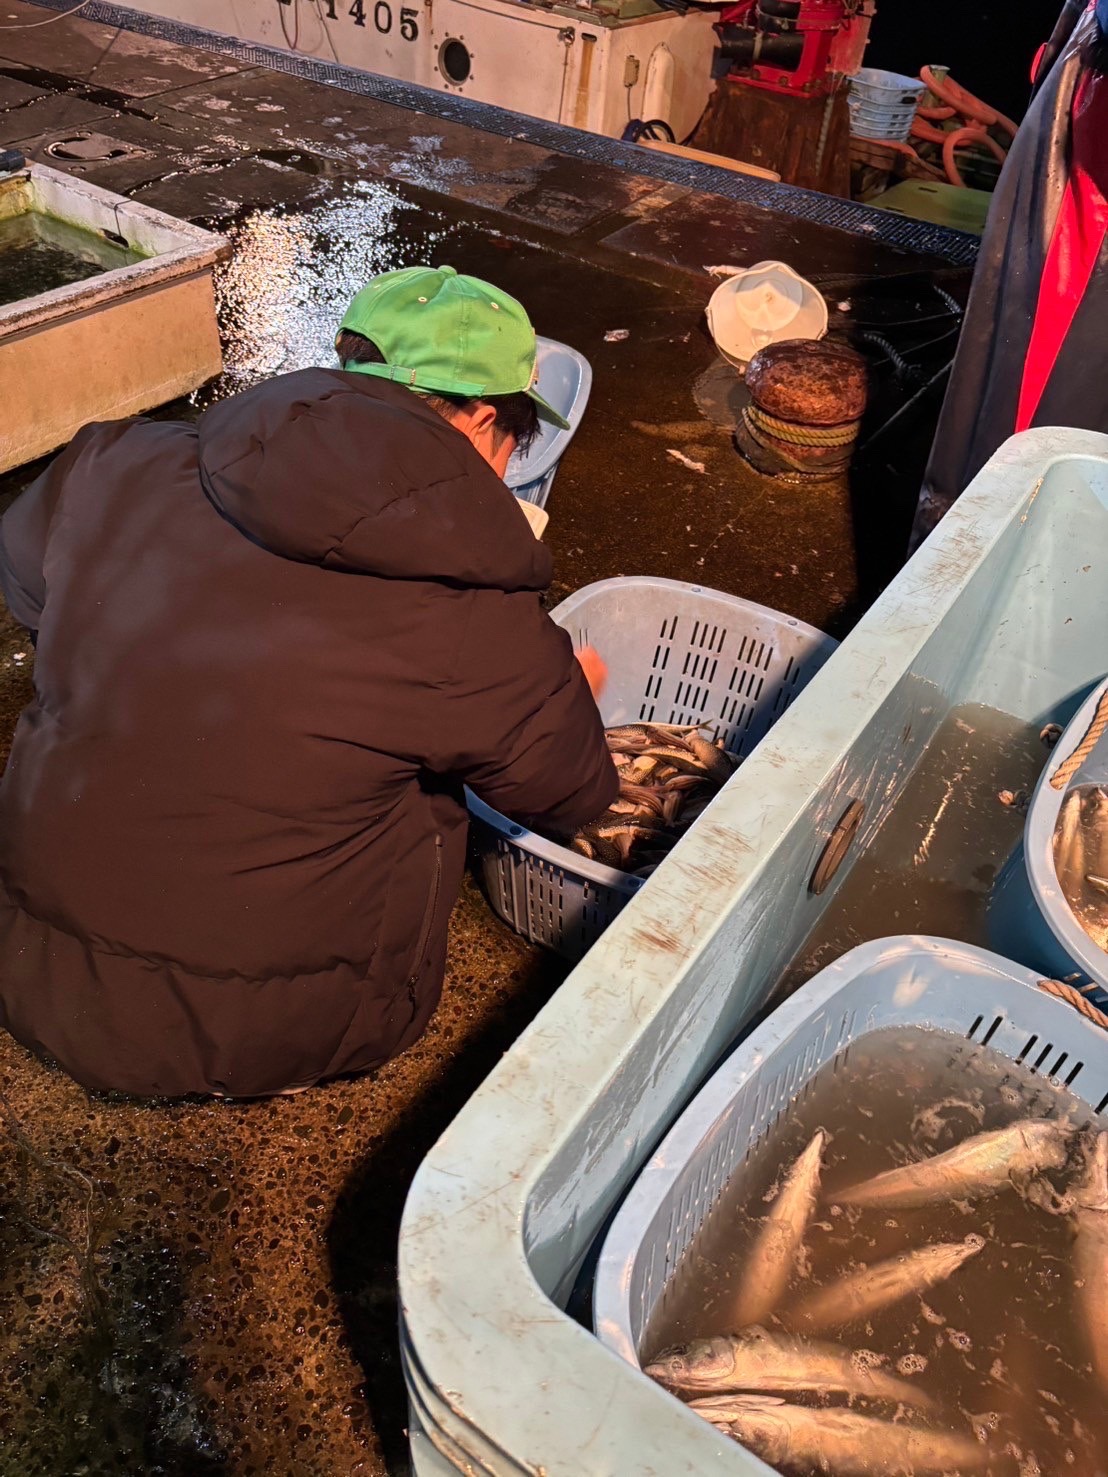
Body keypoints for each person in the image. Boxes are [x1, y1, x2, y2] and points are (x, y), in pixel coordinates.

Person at [0, 264, 618, 1098]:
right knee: (427, 789)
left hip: (30, 965)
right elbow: (572, 792)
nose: (504, 472)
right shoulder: (465, 595)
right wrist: (568, 683)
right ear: (479, 420)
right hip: (261, 1033)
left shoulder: (113, 458)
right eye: (511, 445)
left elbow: (27, 591)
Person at [910, 0, 1108, 549]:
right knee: (997, 389)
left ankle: (977, 598)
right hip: (1079, 98)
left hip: (1090, 204)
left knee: (1032, 456)